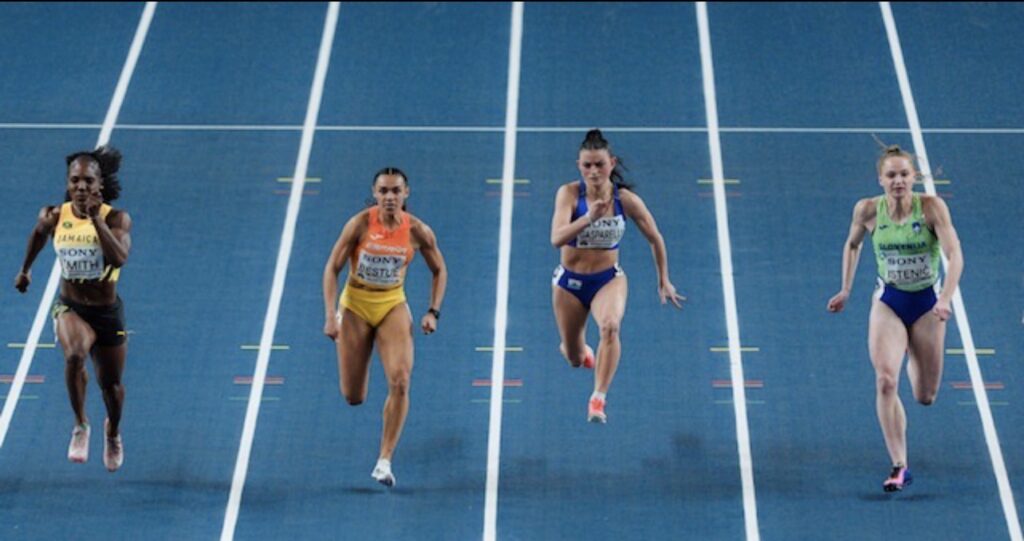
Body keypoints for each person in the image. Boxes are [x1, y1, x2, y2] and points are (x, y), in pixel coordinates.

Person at [827, 144, 963, 492]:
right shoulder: (868, 210)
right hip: (889, 301)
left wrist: (945, 298)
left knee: (925, 396)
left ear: (913, 177)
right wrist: (845, 289)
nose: (898, 181)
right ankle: (899, 464)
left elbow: (955, 254)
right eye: (891, 175)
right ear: (881, 180)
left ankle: (912, 350)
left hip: (927, 304)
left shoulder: (931, 208)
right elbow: (852, 244)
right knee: (886, 381)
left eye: (904, 174)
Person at [322, 167, 447, 488]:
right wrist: (330, 315)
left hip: (392, 304)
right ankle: (355, 370)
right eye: (384, 191)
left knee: (401, 381)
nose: (390, 197)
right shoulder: (359, 224)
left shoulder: (418, 231)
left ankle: (384, 460)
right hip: (355, 306)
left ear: (406, 193)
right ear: (375, 193)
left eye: (395, 191)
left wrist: (433, 311)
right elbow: (332, 268)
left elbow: (439, 270)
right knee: (353, 396)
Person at [550, 129, 685, 424]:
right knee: (574, 358)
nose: (594, 171)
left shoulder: (626, 200)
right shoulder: (569, 194)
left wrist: (663, 278)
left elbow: (655, 237)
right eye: (587, 165)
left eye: (599, 164)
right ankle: (580, 352)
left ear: (611, 163)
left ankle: (598, 398)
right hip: (570, 284)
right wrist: (589, 218)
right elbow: (556, 238)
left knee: (610, 327)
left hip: (607, 280)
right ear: (579, 166)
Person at [14, 145, 132, 472]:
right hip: (72, 307)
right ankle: (81, 424)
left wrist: (95, 220)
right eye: (74, 180)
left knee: (112, 388)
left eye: (88, 181)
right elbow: (38, 235)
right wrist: (26, 269)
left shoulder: (116, 219)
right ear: (68, 184)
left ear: (100, 185)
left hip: (106, 312)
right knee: (75, 355)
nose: (81, 187)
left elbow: (119, 258)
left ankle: (113, 431)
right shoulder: (54, 216)